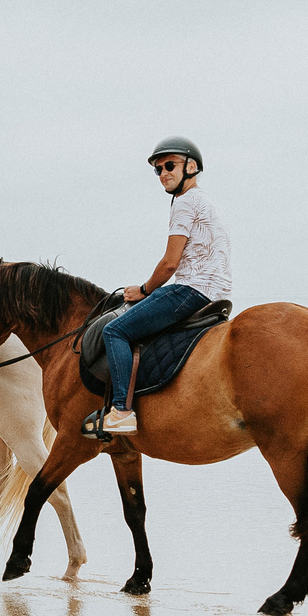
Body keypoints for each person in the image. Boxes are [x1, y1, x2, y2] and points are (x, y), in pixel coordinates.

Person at [97, 135, 230, 435]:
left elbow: (170, 263)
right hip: (216, 293)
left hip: (190, 290)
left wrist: (144, 290)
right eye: (158, 170)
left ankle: (122, 410)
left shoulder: (185, 203)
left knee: (114, 330)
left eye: (170, 165)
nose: (164, 173)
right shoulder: (205, 201)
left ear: (191, 166)